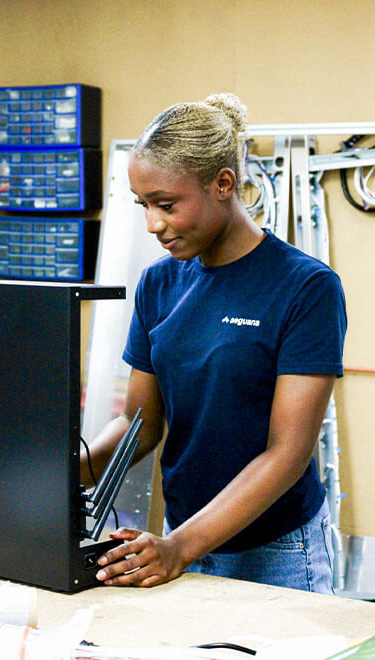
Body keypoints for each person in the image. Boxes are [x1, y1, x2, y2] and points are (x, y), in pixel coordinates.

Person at [81, 92, 347, 593]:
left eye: (166, 205)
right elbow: (137, 426)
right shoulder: (159, 284)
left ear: (223, 183)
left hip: (275, 551)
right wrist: (61, 479)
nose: (152, 225)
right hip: (180, 535)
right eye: (143, 205)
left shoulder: (305, 286)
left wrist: (180, 548)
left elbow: (287, 454)